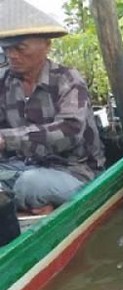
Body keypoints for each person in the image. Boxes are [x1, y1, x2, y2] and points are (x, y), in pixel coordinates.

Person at [0, 0, 105, 214]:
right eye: (7, 49)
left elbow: (70, 132)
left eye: (20, 48)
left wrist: (6, 139)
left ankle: (33, 201)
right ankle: (32, 203)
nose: (12, 55)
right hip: (25, 166)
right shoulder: (4, 81)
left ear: (47, 45)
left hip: (75, 170)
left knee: (30, 185)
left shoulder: (67, 79)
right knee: (25, 182)